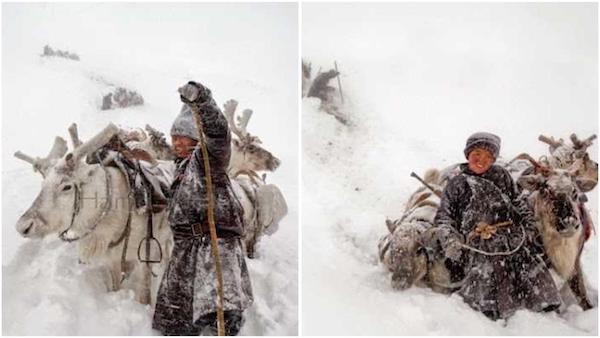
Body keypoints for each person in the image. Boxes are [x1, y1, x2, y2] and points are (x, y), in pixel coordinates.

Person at [152, 81, 253, 336]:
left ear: (196, 139)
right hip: (185, 253)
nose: (176, 142)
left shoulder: (207, 160)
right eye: (174, 137)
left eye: (182, 137)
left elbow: (219, 133)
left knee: (217, 322)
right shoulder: (180, 169)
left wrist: (203, 101)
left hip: (213, 250)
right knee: (174, 324)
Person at [432, 132, 561, 321]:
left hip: (509, 233)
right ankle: (488, 306)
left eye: (488, 156)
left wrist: (529, 225)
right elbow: (443, 217)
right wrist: (450, 240)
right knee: (489, 260)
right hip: (476, 240)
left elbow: (518, 202)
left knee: (524, 256)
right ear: (467, 154)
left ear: (494, 159)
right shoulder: (457, 183)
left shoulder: (501, 175)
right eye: (477, 153)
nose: (481, 160)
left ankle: (541, 302)